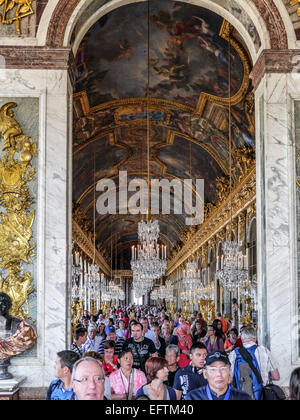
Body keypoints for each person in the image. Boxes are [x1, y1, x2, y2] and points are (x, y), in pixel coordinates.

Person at [229, 326, 280, 400]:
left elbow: (229, 379)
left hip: (241, 395)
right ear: (255, 338)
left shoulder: (234, 354)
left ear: (242, 339)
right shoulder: (264, 351)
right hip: (262, 395)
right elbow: (276, 377)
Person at [185, 351, 252, 400]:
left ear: (230, 372)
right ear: (205, 374)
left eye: (223, 368)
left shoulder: (243, 398)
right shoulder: (193, 397)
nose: (219, 374)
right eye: (213, 369)